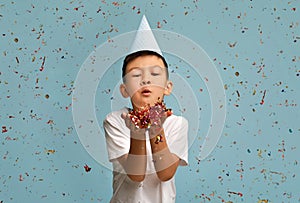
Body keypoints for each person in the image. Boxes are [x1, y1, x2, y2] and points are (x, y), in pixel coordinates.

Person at [103, 15, 188, 203]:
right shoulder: (115, 121)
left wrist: (156, 128)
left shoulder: (177, 124)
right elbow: (136, 175)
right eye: (136, 75)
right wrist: (138, 134)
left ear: (168, 87)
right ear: (125, 90)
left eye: (155, 74)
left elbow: (165, 173)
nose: (146, 80)